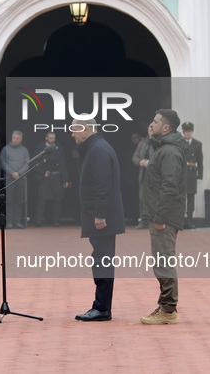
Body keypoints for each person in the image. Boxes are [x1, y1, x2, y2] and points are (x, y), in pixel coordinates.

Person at [72, 119, 125, 322]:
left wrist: (100, 214)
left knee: (102, 260)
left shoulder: (98, 150)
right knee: (101, 259)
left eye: (74, 130)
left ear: (86, 128)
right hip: (101, 216)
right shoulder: (96, 147)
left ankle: (102, 308)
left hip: (103, 218)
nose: (72, 134)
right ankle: (101, 306)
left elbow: (104, 185)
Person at [140, 109, 187, 325]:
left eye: (155, 121)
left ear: (166, 127)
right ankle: (165, 306)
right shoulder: (164, 148)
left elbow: (170, 186)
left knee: (164, 262)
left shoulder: (169, 151)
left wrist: (159, 217)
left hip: (165, 218)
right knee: (161, 261)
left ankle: (168, 310)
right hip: (162, 215)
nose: (152, 124)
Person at [33, 132, 69, 227]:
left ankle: (56, 220)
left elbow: (63, 164)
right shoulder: (40, 149)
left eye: (53, 138)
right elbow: (34, 163)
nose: (52, 140)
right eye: (50, 138)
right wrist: (42, 172)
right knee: (41, 198)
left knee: (58, 198)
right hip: (45, 177)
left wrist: (65, 179)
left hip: (56, 176)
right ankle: (39, 219)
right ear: (46, 138)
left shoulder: (59, 149)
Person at [1, 130, 29, 229]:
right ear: (11, 137)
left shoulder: (24, 150)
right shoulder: (5, 149)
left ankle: (17, 221)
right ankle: (9, 222)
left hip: (21, 179)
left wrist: (19, 173)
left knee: (19, 200)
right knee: (9, 200)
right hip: (9, 177)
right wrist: (12, 172)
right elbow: (3, 163)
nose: (15, 140)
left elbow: (27, 163)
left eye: (17, 138)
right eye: (14, 138)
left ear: (21, 139)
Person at [181, 121, 203, 229]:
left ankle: (189, 220)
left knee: (191, 199)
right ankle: (180, 221)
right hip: (181, 173)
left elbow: (200, 161)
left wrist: (200, 176)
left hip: (191, 174)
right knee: (181, 198)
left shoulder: (197, 144)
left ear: (192, 132)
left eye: (189, 131)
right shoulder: (179, 143)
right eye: (185, 131)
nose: (187, 134)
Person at [132, 125, 153, 230]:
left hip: (155, 176)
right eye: (150, 129)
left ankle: (153, 222)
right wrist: (141, 162)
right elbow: (134, 157)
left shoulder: (161, 143)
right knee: (142, 199)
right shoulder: (142, 143)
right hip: (143, 175)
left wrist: (151, 162)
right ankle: (143, 222)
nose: (151, 131)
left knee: (154, 199)